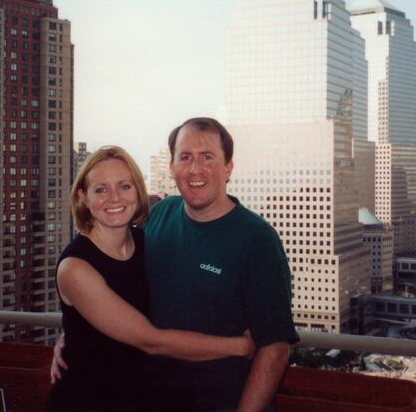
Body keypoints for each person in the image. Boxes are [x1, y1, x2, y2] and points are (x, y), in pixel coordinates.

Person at [46, 145, 255, 412]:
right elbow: (151, 340)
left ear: (138, 191)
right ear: (82, 196)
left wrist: (70, 333)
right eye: (100, 189)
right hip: (87, 401)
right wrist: (241, 346)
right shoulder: (76, 268)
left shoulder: (147, 243)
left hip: (140, 398)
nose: (114, 198)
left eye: (124, 186)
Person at [141, 117, 298, 412]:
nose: (195, 169)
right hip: (151, 398)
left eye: (207, 157)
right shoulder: (159, 215)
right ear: (172, 167)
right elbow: (112, 278)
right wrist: (74, 335)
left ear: (228, 168)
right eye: (185, 157)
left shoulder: (257, 239)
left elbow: (275, 348)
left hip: (222, 402)